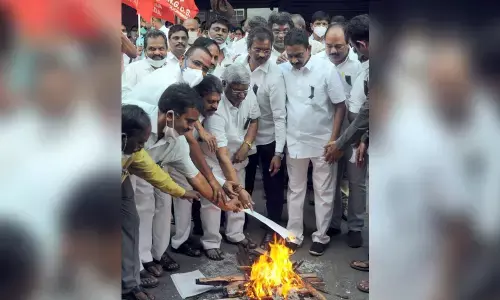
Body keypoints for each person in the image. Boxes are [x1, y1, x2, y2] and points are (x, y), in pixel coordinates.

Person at [125, 84, 246, 285]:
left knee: (143, 213)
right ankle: (129, 274)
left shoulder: (177, 140)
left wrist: (226, 204)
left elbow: (195, 178)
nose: (191, 129)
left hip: (138, 170)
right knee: (126, 220)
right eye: (189, 121)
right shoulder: (131, 121)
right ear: (170, 116)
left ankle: (140, 265)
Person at [121, 104, 200, 300]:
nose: (141, 148)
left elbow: (154, 173)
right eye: (139, 143)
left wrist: (182, 192)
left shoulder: (135, 152)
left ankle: (130, 285)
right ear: (122, 136)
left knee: (130, 224)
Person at [280, 28, 346, 256]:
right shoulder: (283, 70)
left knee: (323, 190)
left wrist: (334, 140)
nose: (295, 60)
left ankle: (321, 235)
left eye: (299, 54)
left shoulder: (326, 69)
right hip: (295, 141)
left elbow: (340, 105)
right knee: (295, 190)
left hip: (322, 141)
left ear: (309, 49)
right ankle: (294, 234)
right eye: (290, 56)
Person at [170, 75, 251, 257]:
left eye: (217, 101)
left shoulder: (204, 114)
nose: (215, 106)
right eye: (210, 101)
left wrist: (218, 182)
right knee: (184, 201)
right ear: (198, 98)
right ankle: (180, 242)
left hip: (191, 159)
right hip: (177, 158)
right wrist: (215, 180)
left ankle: (186, 238)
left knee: (207, 193)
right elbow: (193, 148)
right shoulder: (189, 115)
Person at [201, 64, 261, 260]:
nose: (242, 95)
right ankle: (211, 241)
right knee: (214, 201)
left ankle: (236, 234)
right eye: (237, 91)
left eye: (245, 90)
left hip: (239, 156)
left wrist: (247, 145)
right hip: (217, 161)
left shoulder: (247, 93)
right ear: (224, 84)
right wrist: (237, 186)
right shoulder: (216, 110)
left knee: (238, 202)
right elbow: (222, 154)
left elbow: (254, 119)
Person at [237, 26, 287, 249]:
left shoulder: (275, 74)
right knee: (244, 184)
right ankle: (240, 224)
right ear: (249, 48)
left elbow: (279, 115)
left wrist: (278, 152)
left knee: (273, 185)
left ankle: (273, 227)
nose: (263, 54)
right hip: (243, 138)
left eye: (267, 50)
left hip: (268, 138)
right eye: (258, 49)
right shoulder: (238, 67)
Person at [320, 22, 366, 248]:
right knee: (332, 181)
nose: (333, 51)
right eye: (328, 46)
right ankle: (334, 222)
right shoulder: (318, 63)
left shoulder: (359, 65)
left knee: (356, 182)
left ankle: (355, 226)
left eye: (338, 46)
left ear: (349, 44)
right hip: (329, 134)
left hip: (355, 134)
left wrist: (363, 136)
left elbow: (367, 105)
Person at [123, 45, 212, 106]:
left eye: (205, 69)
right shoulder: (168, 82)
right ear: (182, 59)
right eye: (196, 63)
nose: (199, 71)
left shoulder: (183, 80)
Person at [122, 30, 169, 98]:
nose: (157, 52)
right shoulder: (132, 70)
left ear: (166, 49)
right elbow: (124, 97)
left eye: (161, 48)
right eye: (152, 49)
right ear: (145, 51)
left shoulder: (173, 69)